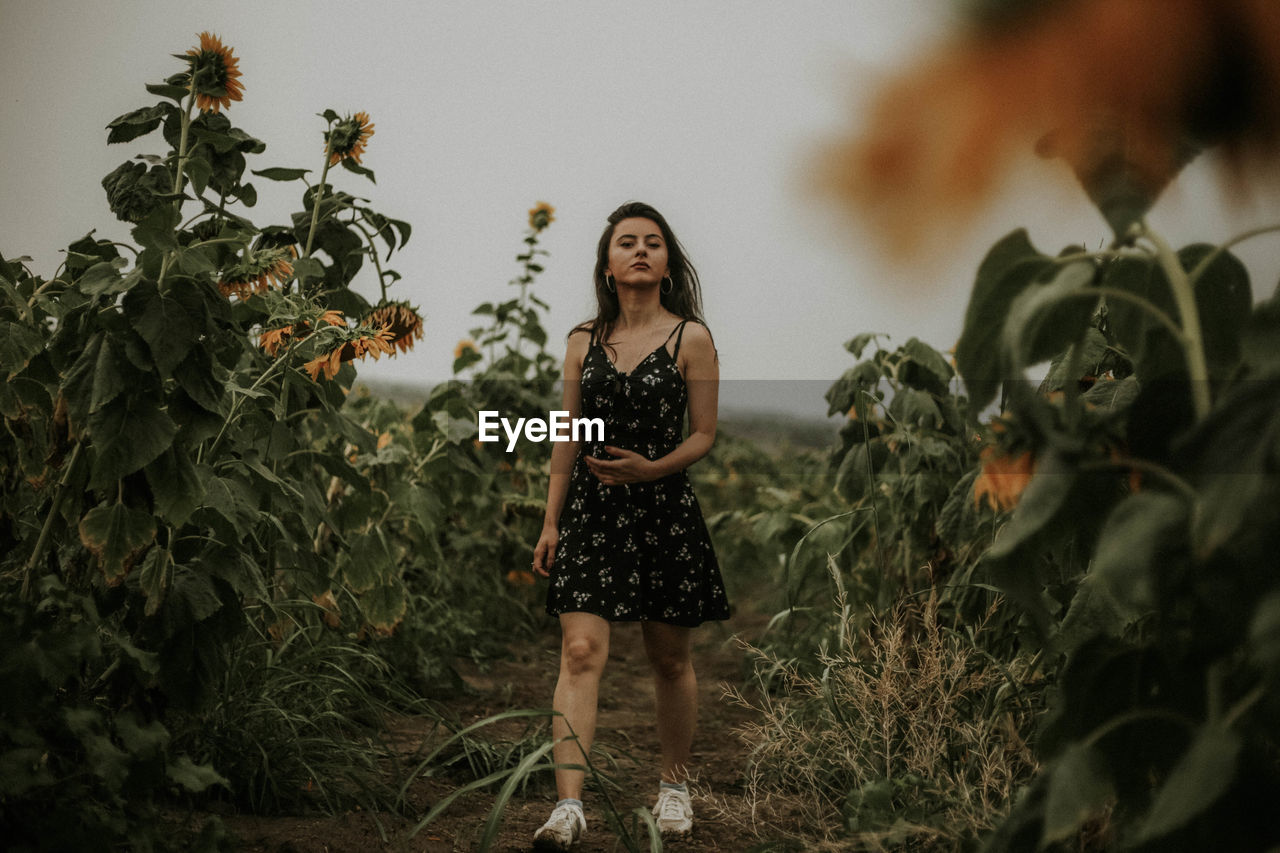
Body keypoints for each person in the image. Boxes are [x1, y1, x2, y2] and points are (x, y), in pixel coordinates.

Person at [530, 202, 730, 850]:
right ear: (608, 262)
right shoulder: (582, 339)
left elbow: (703, 434)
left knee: (669, 659)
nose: (640, 250)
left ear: (667, 261)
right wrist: (551, 519)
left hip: (664, 510)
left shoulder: (690, 338)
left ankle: (674, 786)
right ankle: (568, 807)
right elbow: (566, 431)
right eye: (627, 242)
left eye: (653, 242)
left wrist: (652, 470)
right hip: (590, 509)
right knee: (580, 651)